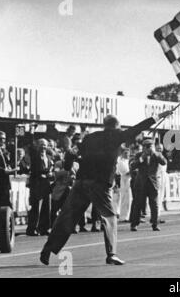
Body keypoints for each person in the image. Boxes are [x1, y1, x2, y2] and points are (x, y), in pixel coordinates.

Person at [40, 110, 172, 266]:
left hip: (81, 181)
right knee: (109, 217)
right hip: (100, 183)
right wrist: (158, 116)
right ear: (116, 126)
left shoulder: (89, 137)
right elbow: (138, 128)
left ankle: (48, 249)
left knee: (67, 216)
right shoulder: (116, 135)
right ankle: (111, 254)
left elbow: (70, 154)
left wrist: (68, 166)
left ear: (104, 125)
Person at [130, 139, 167, 232]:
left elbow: (164, 162)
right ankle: (134, 224)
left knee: (154, 205)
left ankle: (155, 224)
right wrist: (142, 158)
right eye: (147, 147)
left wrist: (155, 153)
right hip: (141, 184)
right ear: (143, 148)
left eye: (150, 147)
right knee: (138, 204)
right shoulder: (139, 155)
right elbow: (133, 166)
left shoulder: (157, 155)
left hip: (152, 184)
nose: (148, 149)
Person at [27, 139, 54, 236]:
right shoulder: (35, 156)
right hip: (37, 185)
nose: (43, 147)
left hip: (46, 185)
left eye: (45, 145)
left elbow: (51, 169)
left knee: (47, 207)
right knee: (36, 208)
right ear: (37, 146)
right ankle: (32, 228)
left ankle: (45, 228)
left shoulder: (49, 157)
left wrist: (50, 174)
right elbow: (34, 171)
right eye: (41, 145)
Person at [0, 131, 18, 208]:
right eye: (0, 139)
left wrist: (10, 167)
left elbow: (6, 163)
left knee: (5, 200)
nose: (2, 141)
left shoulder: (4, 150)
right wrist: (4, 171)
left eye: (4, 139)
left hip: (5, 180)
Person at [116, 148, 132, 222]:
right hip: (125, 182)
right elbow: (126, 172)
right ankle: (123, 217)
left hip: (130, 182)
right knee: (125, 200)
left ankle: (128, 216)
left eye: (128, 153)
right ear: (122, 154)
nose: (127, 154)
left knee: (129, 200)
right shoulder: (120, 162)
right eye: (125, 153)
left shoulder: (128, 161)